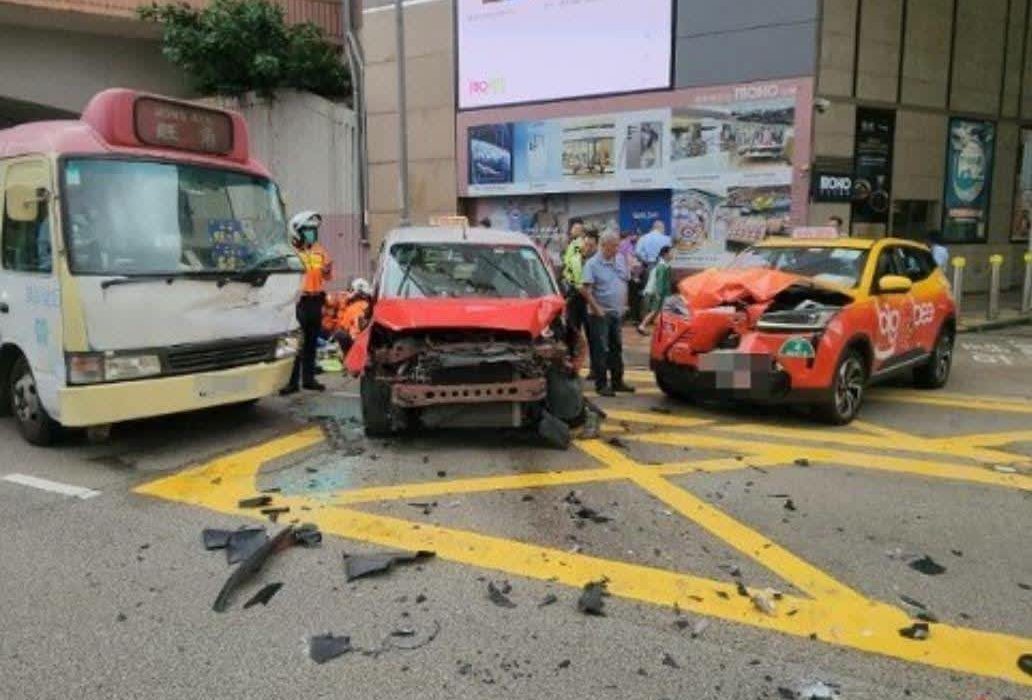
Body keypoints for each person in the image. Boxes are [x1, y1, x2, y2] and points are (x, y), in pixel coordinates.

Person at [282, 210, 332, 394]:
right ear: (297, 232)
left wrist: (327, 269)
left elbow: (326, 275)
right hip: (298, 302)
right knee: (295, 344)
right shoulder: (290, 252)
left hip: (315, 301)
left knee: (311, 342)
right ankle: (291, 382)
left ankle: (309, 379)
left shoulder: (320, 251)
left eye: (314, 231)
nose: (312, 234)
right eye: (308, 230)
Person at [582, 231, 635, 397]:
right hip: (600, 314)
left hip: (616, 312)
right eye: (614, 246)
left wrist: (624, 304)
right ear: (604, 246)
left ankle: (617, 381)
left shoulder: (619, 259)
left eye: (618, 245)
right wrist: (597, 309)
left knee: (616, 348)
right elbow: (585, 290)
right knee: (601, 350)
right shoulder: (592, 264)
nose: (617, 249)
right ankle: (601, 384)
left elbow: (624, 281)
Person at [637, 245, 673, 335]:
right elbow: (660, 282)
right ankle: (642, 326)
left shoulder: (663, 266)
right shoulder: (662, 267)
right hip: (660, 293)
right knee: (655, 311)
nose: (673, 255)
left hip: (661, 293)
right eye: (671, 253)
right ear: (665, 254)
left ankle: (655, 328)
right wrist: (659, 294)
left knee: (659, 311)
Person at [333, 278, 372, 354]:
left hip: (356, 344)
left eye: (351, 290)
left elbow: (343, 327)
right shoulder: (367, 306)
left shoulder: (354, 308)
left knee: (339, 334)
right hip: (363, 344)